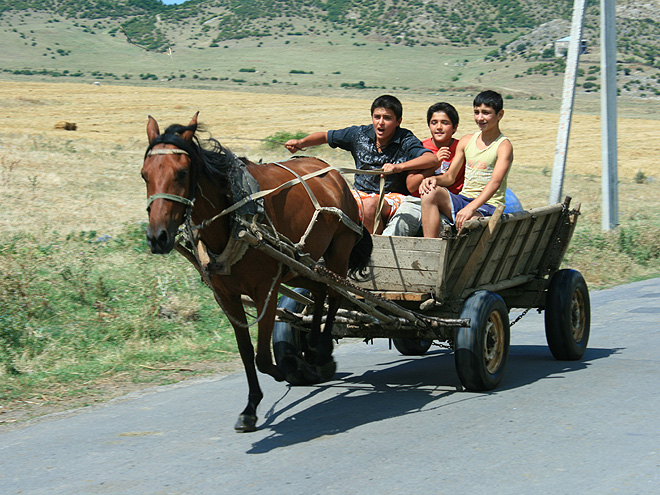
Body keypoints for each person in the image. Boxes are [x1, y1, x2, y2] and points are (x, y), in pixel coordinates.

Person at [284, 95, 436, 234]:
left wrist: (398, 167)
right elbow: (325, 136)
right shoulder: (358, 135)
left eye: (387, 118)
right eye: (377, 117)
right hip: (359, 194)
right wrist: (301, 142)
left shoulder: (405, 139)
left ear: (398, 121)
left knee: (369, 206)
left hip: (392, 198)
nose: (381, 122)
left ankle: (373, 256)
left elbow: (431, 159)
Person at [420, 90, 513, 235]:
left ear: (500, 115)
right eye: (476, 112)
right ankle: (430, 247)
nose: (480, 118)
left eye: (486, 113)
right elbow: (450, 177)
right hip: (463, 198)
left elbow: (495, 182)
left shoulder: (503, 146)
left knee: (470, 224)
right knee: (429, 192)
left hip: (488, 205)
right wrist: (433, 179)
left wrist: (471, 208)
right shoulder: (466, 140)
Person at [382, 101, 465, 236]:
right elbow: (411, 186)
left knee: (443, 234)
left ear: (454, 127)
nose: (439, 127)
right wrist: (434, 165)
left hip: (444, 205)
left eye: (445, 123)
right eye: (434, 122)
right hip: (416, 202)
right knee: (394, 230)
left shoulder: (461, 149)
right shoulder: (421, 149)